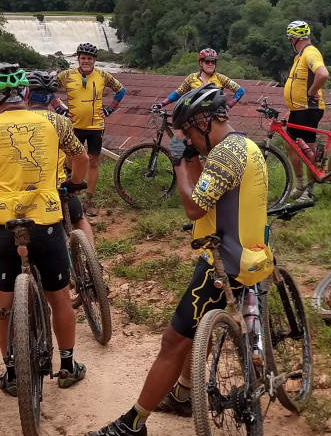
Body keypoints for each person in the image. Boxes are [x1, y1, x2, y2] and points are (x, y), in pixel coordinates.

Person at [88, 83, 273, 436]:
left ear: (203, 121)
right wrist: (189, 156)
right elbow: (210, 187)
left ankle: (133, 424)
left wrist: (176, 163)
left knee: (173, 342)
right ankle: (184, 394)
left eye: (188, 131)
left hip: (223, 263)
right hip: (251, 254)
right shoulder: (245, 146)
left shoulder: (225, 154)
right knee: (192, 332)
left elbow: (193, 207)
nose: (189, 139)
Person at [0, 63, 90, 395]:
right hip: (46, 221)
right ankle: (68, 365)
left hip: (4, 223)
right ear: (26, 93)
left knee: (4, 305)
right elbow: (82, 159)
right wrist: (74, 185)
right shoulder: (54, 121)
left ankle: (12, 373)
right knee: (59, 298)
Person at [25, 69, 96, 244]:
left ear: (26, 95)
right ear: (51, 98)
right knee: (78, 219)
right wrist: (75, 182)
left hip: (22, 193)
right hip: (55, 189)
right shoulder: (61, 122)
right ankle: (93, 262)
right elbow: (81, 158)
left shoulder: (12, 120)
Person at [57, 42, 126, 217]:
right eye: (83, 58)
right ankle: (70, 193)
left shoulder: (102, 75)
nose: (86, 61)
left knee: (92, 162)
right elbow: (48, 89)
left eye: (89, 58)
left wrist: (110, 109)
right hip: (74, 126)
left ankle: (88, 199)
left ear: (94, 60)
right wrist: (60, 109)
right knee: (72, 162)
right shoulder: (67, 75)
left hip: (96, 126)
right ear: (78, 59)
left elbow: (121, 90)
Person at [284, 20, 330, 203]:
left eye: (290, 39)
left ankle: (309, 191)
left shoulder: (310, 52)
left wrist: (311, 94)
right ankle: (301, 184)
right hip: (298, 109)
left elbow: (323, 74)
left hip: (309, 109)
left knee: (307, 150)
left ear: (294, 39)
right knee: (290, 143)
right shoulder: (300, 57)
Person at [155, 48, 245, 109]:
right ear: (201, 63)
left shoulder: (220, 78)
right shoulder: (191, 78)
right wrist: (161, 104)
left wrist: (228, 106)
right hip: (194, 116)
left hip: (216, 116)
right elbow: (179, 93)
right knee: (180, 136)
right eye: (207, 61)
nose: (210, 64)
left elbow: (240, 91)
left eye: (213, 62)